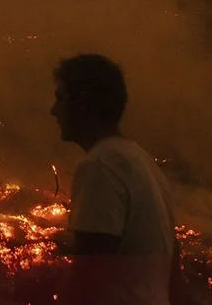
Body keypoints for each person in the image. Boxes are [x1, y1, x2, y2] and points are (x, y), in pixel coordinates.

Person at [50, 54, 185, 305]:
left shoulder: (100, 166)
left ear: (83, 104)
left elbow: (88, 274)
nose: (53, 110)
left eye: (61, 98)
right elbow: (173, 266)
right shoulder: (142, 161)